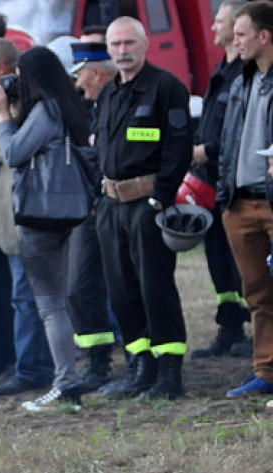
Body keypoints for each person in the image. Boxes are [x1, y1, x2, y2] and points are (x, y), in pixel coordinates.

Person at [0, 46, 93, 412]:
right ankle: (68, 381)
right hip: (65, 213)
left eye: (20, 73)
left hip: (40, 217)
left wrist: (3, 116)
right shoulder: (63, 106)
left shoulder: (46, 110)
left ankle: (66, 383)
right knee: (59, 302)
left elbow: (14, 154)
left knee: (51, 305)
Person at [94, 16, 193, 399]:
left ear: (145, 43)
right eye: (116, 44)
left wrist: (162, 198)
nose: (122, 51)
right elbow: (99, 149)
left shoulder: (165, 88)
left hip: (147, 205)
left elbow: (179, 146)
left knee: (155, 288)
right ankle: (141, 366)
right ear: (108, 49)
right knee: (122, 290)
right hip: (111, 207)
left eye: (129, 43)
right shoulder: (108, 93)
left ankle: (169, 371)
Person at [0, 38, 54, 397]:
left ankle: (32, 367)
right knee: (24, 295)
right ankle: (34, 363)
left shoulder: (32, 107)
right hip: (14, 215)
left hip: (25, 213)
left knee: (27, 296)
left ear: (2, 69)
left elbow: (15, 152)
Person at [218, 1, 273, 398]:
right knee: (257, 293)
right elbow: (228, 140)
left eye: (241, 34)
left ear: (264, 36)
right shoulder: (240, 80)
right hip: (240, 204)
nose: (234, 41)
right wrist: (226, 196)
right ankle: (266, 371)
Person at [191, 0, 250, 360]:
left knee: (242, 261)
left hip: (232, 179)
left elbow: (238, 128)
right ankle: (230, 326)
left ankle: (251, 330)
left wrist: (207, 151)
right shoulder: (220, 69)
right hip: (211, 182)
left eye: (221, 22)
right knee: (217, 258)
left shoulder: (244, 73)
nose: (213, 27)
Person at [68, 40, 121, 394]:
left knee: (123, 286)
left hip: (117, 205)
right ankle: (97, 360)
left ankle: (140, 360)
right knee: (79, 288)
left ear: (95, 72)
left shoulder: (119, 101)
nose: (78, 84)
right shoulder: (85, 106)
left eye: (80, 75)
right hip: (88, 210)